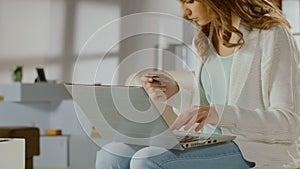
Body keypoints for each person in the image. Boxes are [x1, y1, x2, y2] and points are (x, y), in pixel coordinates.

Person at [96, 0, 300, 168]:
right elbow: (208, 102)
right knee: (112, 154)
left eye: (190, 1)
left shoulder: (271, 34)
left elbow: (289, 123)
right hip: (206, 140)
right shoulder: (205, 38)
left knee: (147, 160)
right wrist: (175, 91)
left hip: (251, 148)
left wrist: (219, 114)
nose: (184, 12)